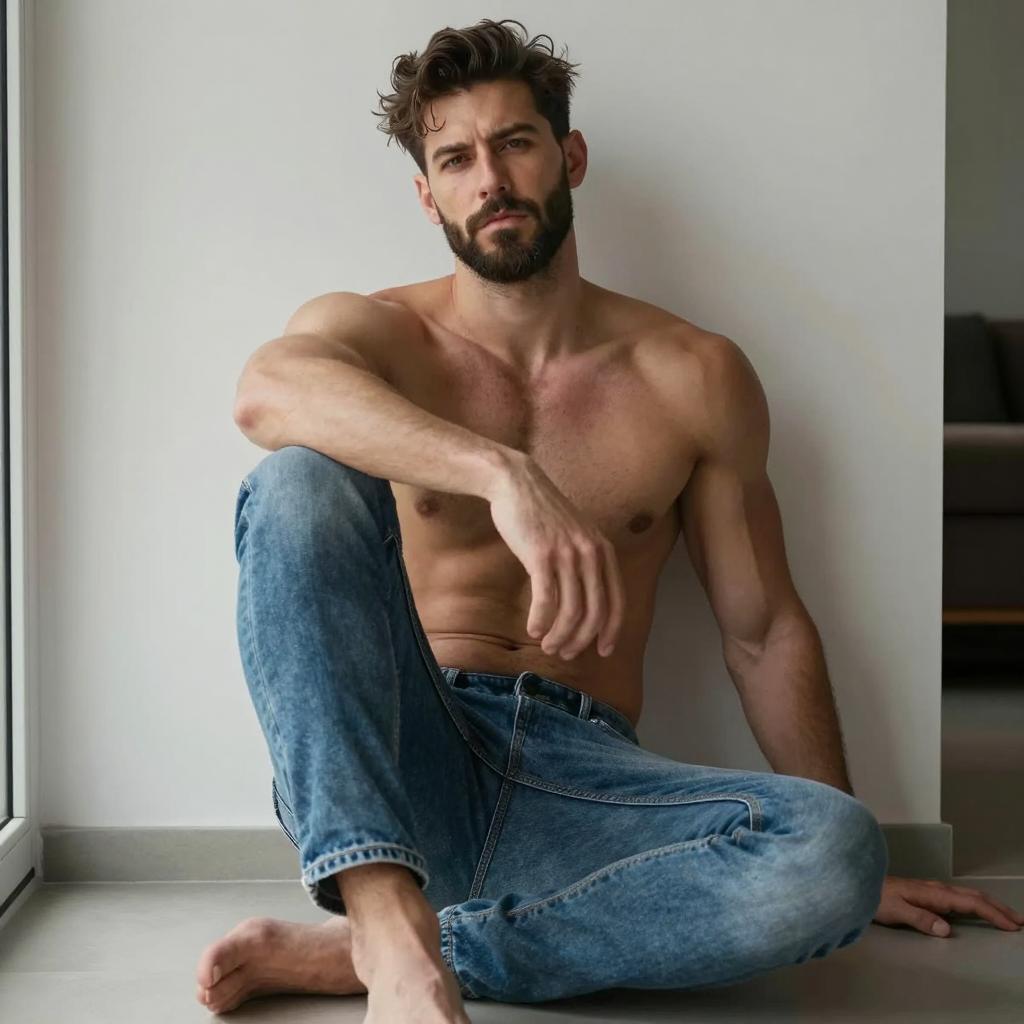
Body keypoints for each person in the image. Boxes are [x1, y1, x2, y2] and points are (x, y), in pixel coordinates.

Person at [196, 18, 1023, 1022]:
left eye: (515, 142)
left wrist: (856, 875)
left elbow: (761, 633)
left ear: (568, 155)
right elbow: (264, 392)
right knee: (296, 483)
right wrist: (505, 476)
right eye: (455, 158)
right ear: (426, 193)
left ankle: (380, 953)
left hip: (583, 782)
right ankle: (380, 912)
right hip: (403, 752)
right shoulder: (382, 334)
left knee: (836, 849)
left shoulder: (692, 375)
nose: (489, 178)